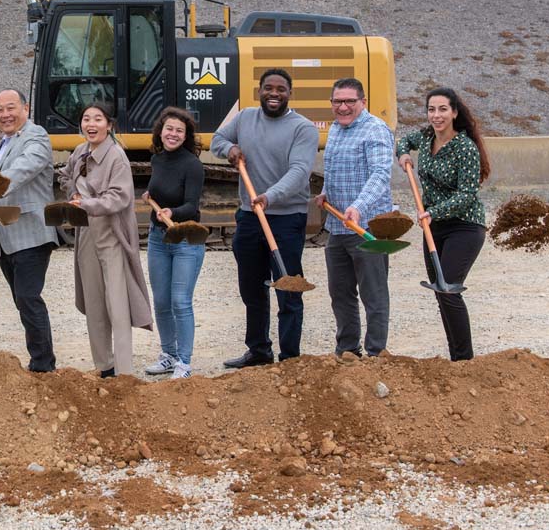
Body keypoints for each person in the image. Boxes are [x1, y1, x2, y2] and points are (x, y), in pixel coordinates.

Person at [210, 68, 318, 368]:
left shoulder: (303, 128)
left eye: (280, 89)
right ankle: (258, 351)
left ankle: (290, 358)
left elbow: (299, 172)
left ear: (289, 93)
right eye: (268, 88)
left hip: (285, 218)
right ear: (259, 90)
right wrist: (229, 148)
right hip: (249, 217)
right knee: (252, 288)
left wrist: (270, 196)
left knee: (288, 287)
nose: (274, 93)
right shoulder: (245, 118)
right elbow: (216, 140)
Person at [58, 102, 153, 377]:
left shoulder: (117, 156)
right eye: (86, 119)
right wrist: (73, 193)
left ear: (109, 125)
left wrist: (87, 203)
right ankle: (104, 365)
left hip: (111, 233)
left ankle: (124, 372)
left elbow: (120, 197)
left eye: (98, 119)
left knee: (117, 303)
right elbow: (65, 175)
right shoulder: (79, 152)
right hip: (86, 232)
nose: (91, 124)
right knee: (94, 301)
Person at [396, 86, 490, 362]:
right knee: (440, 292)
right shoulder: (425, 137)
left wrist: (433, 211)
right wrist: (403, 155)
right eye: (431, 109)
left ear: (454, 113)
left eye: (442, 109)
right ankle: (455, 358)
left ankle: (464, 361)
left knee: (449, 288)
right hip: (433, 227)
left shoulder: (465, 148)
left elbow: (466, 194)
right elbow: (403, 142)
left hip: (465, 225)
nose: (436, 115)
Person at [315, 77, 395, 358]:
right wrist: (325, 192)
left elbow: (380, 175)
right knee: (340, 292)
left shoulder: (376, 130)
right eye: (338, 101)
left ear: (364, 102)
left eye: (350, 101)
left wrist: (359, 207)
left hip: (368, 226)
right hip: (338, 226)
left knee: (373, 293)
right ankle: (347, 349)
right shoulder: (336, 129)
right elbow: (337, 169)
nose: (343, 107)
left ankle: (375, 352)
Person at [0, 89, 60, 372]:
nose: (5, 115)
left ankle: (43, 365)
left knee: (29, 298)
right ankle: (40, 357)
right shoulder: (4, 142)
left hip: (31, 233)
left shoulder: (36, 136)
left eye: (10, 108)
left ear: (25, 109)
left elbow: (25, 168)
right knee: (22, 301)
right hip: (7, 237)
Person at [141, 107, 206, 379]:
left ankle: (184, 362)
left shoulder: (192, 164)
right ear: (161, 131)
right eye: (169, 128)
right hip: (158, 239)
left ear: (186, 135)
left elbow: (191, 204)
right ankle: (168, 355)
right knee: (161, 301)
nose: (173, 134)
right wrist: (150, 197)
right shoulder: (157, 160)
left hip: (185, 239)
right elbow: (159, 189)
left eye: (180, 130)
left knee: (180, 301)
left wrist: (172, 212)